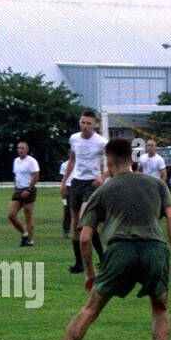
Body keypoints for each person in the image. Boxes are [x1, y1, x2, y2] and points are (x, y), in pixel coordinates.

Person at [35, 138, 171, 340]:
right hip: (154, 250)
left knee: (92, 308)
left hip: (120, 251)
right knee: (160, 308)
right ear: (131, 158)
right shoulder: (157, 184)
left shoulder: (102, 191)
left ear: (109, 160)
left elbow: (84, 237)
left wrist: (89, 273)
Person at [62, 111, 108, 273]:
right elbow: (72, 160)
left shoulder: (102, 142)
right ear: (79, 123)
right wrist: (64, 182)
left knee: (84, 220)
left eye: (89, 123)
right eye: (83, 122)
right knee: (77, 224)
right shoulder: (74, 138)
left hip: (93, 184)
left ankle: (102, 258)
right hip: (76, 183)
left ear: (95, 125)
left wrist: (102, 177)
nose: (86, 126)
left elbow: (112, 162)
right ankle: (79, 263)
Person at [9, 140, 40, 247]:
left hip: (28, 189)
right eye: (18, 148)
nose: (20, 150)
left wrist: (28, 189)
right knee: (11, 215)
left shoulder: (32, 161)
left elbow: (36, 176)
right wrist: (16, 186)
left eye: (22, 148)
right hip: (18, 189)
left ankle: (30, 240)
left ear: (27, 150)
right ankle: (24, 233)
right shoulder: (16, 161)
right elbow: (15, 175)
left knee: (28, 216)